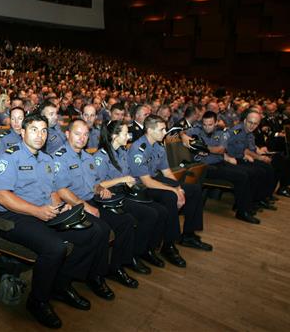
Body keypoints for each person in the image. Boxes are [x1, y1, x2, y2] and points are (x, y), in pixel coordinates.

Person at [0, 113, 113, 329]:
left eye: (44, 130)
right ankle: (37, 301)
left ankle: (61, 283)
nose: (40, 135)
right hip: (16, 217)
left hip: (45, 211)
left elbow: (52, 190)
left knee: (93, 232)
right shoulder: (8, 157)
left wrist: (60, 205)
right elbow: (1, 196)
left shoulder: (47, 159)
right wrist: (37, 211)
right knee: (55, 248)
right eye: (34, 130)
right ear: (22, 131)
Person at [54, 119, 140, 288]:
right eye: (77, 134)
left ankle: (116, 267)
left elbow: (95, 183)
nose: (82, 138)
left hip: (92, 199)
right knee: (101, 229)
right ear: (67, 134)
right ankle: (91, 276)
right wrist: (85, 206)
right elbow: (61, 190)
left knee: (126, 221)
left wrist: (101, 188)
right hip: (74, 206)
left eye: (86, 134)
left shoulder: (87, 157)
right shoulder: (59, 157)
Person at [128, 115, 213, 268]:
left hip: (155, 180)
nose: (165, 132)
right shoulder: (138, 148)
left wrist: (178, 186)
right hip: (140, 187)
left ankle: (188, 234)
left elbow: (167, 173)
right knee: (170, 197)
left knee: (193, 189)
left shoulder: (159, 146)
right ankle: (169, 244)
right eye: (161, 129)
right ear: (149, 130)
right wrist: (173, 190)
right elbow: (146, 182)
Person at [94, 120, 172, 272]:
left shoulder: (122, 152)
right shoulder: (100, 156)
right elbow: (97, 185)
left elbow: (128, 174)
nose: (129, 137)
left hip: (126, 192)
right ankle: (131, 256)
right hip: (111, 197)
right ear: (115, 136)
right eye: (125, 133)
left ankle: (147, 250)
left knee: (161, 211)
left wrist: (128, 181)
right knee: (148, 214)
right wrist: (122, 180)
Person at [181, 111, 260, 224]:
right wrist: (184, 136)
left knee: (248, 172)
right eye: (205, 124)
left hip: (219, 163)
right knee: (241, 176)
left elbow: (221, 149)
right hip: (205, 167)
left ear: (216, 123)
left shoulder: (221, 133)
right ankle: (243, 211)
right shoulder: (196, 130)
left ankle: (244, 206)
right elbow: (179, 131)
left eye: (210, 124)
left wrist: (201, 146)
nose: (207, 127)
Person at [225, 111, 282, 209]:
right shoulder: (237, 131)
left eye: (255, 124)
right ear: (245, 120)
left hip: (242, 158)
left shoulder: (249, 132)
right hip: (233, 159)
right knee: (259, 171)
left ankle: (260, 198)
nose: (252, 126)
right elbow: (243, 150)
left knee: (267, 168)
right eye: (250, 122)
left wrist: (259, 153)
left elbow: (251, 148)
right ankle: (252, 201)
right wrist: (259, 157)